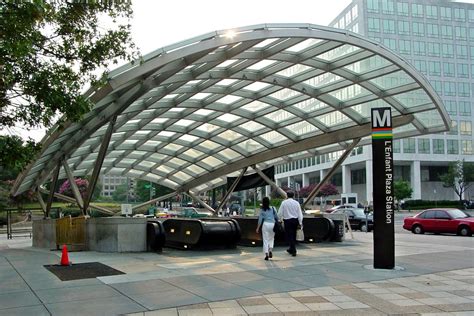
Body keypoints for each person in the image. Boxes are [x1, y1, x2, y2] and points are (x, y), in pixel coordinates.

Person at [278, 191, 303, 257]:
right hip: (295, 220)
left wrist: (279, 219)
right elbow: (300, 213)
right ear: (293, 196)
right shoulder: (296, 203)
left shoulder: (284, 203)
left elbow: (280, 212)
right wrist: (300, 222)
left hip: (287, 221)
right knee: (294, 235)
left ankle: (293, 250)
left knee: (289, 235)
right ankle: (291, 248)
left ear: (287, 196)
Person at [256, 196, 279, 261]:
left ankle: (266, 254)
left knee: (265, 240)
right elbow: (276, 217)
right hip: (272, 224)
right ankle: (270, 250)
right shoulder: (273, 208)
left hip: (265, 224)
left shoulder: (262, 210)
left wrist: (257, 228)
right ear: (269, 202)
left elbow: (260, 220)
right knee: (271, 238)